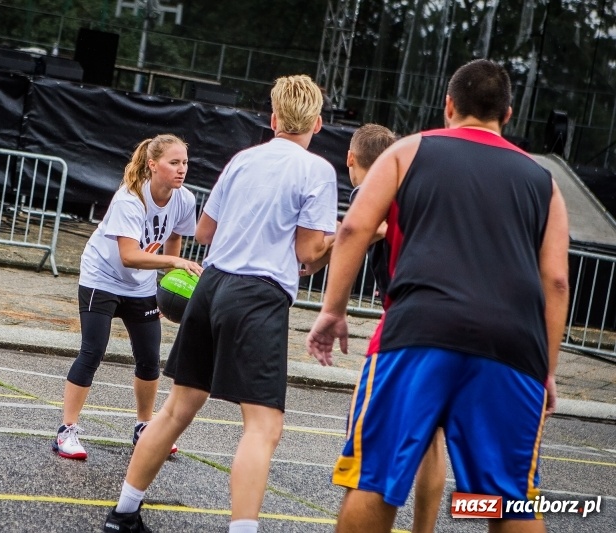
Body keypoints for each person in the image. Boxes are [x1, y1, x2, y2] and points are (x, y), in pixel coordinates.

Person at [307, 59, 570, 533]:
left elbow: (353, 229)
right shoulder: (544, 182)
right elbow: (555, 281)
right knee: (510, 501)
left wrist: (333, 311)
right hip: (512, 346)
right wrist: (546, 368)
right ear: (507, 115)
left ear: (448, 105)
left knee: (375, 480)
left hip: (419, 329)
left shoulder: (408, 152)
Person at [103, 74, 338, 533]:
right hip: (257, 294)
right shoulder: (317, 171)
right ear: (318, 123)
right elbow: (310, 252)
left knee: (176, 408)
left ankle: (124, 512)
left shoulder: (243, 160)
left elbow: (205, 233)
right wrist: (346, 240)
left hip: (212, 285)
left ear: (273, 119)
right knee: (262, 426)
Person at [303, 123, 447, 533]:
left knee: (370, 435)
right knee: (432, 438)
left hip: (408, 319)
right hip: (448, 315)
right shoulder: (417, 185)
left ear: (351, 158)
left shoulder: (372, 189)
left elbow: (363, 228)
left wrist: (324, 269)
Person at [53, 134, 203, 461]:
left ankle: (144, 427)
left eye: (185, 163)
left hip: (141, 285)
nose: (182, 170)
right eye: (174, 163)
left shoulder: (184, 199)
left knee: (150, 359)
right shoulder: (130, 199)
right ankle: (67, 430)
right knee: (93, 351)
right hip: (102, 277)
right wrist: (174, 262)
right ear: (153, 164)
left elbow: (175, 235)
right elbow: (129, 256)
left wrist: (169, 285)